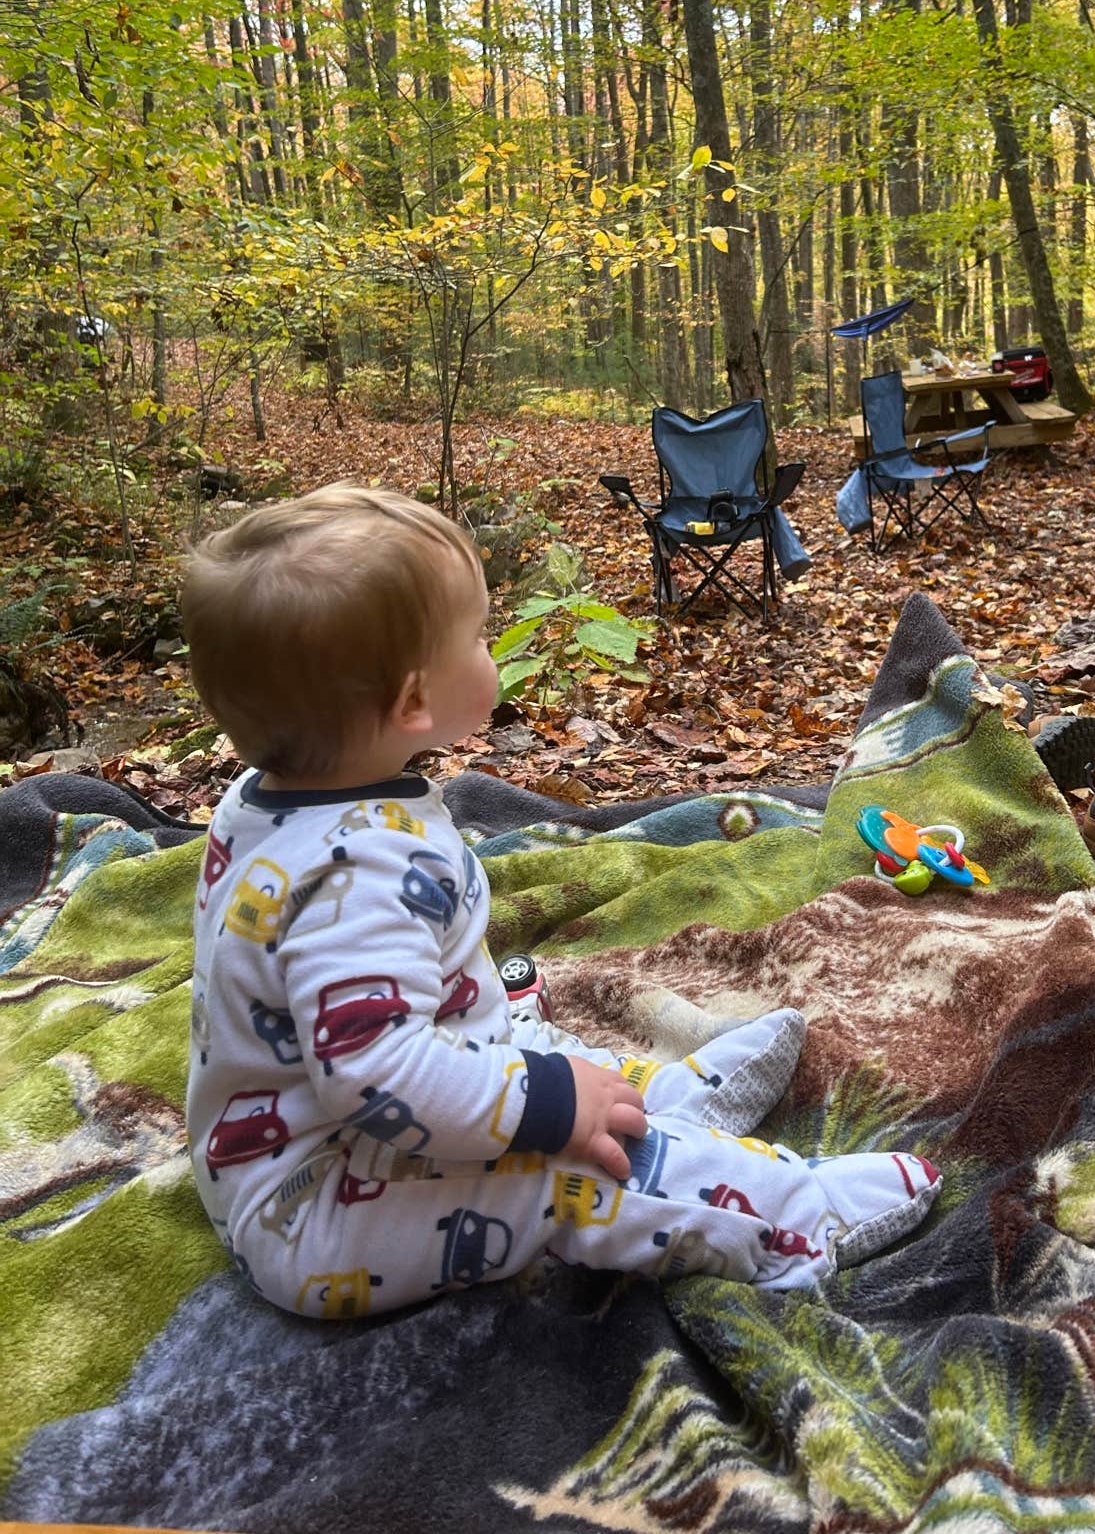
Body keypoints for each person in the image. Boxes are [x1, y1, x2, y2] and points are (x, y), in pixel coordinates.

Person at [182, 484, 941, 1317]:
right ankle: (791, 1217)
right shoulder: (352, 878)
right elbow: (379, 1074)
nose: (488, 649)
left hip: (342, 1130)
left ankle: (660, 1103)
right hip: (329, 1207)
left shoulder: (275, 797)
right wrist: (543, 1107)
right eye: (474, 637)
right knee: (576, 1175)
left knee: (542, 1050)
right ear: (412, 703)